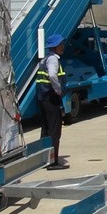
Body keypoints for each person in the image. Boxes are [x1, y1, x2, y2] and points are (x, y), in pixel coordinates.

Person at [36, 33, 69, 170]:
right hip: (51, 97)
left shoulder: (45, 59)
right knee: (54, 130)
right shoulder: (53, 60)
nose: (62, 46)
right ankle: (53, 161)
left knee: (46, 129)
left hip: (43, 97)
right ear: (54, 47)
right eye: (60, 44)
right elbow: (52, 75)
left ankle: (44, 159)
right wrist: (59, 90)